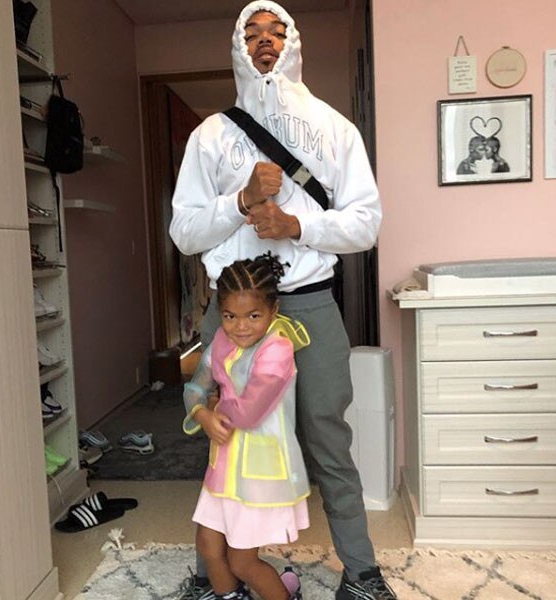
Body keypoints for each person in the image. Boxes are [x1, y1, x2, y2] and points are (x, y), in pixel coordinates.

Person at [170, 2, 392, 599]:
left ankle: (362, 574)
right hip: (233, 311)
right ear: (238, 47)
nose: (264, 42)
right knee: (222, 429)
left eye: (276, 32)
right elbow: (184, 232)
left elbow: (366, 223)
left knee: (327, 437)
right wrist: (239, 202)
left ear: (293, 43)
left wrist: (297, 226)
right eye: (252, 33)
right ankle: (214, 575)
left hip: (310, 304)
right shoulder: (209, 136)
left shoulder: (334, 128)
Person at [182, 253, 310, 600]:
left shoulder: (277, 349)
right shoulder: (221, 341)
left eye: (253, 316)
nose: (241, 327)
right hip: (223, 466)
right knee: (209, 547)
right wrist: (202, 414)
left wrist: (215, 404)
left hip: (258, 473)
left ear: (273, 310)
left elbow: (249, 413)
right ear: (220, 313)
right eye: (230, 316)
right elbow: (194, 388)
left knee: (242, 562)